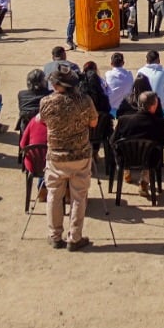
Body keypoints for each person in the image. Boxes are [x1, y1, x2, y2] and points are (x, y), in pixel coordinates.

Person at [40, 68, 99, 250]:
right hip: (80, 155)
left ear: (57, 85)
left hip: (56, 156)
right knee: (79, 197)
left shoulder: (46, 102)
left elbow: (42, 121)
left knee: (54, 196)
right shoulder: (85, 100)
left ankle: (55, 235)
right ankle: (74, 237)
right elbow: (94, 122)